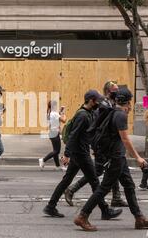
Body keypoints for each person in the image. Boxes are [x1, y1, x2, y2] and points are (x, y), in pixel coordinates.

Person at [74, 87, 148, 232]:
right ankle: (82, 216)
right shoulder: (120, 115)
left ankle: (139, 218)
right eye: (131, 102)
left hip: (118, 157)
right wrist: (138, 158)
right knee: (104, 188)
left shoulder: (114, 111)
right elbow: (125, 139)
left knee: (129, 185)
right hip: (115, 157)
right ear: (128, 102)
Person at [43, 90, 122, 220]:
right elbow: (74, 135)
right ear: (91, 100)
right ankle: (105, 210)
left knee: (67, 180)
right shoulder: (83, 116)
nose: (99, 103)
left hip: (79, 152)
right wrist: (67, 154)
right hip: (80, 153)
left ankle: (51, 206)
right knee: (95, 181)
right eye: (97, 100)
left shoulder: (88, 113)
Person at [64, 81, 128, 207]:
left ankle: (116, 197)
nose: (118, 93)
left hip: (109, 145)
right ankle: (72, 189)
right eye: (115, 91)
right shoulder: (102, 105)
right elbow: (96, 126)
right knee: (97, 172)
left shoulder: (112, 104)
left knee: (114, 169)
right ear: (109, 92)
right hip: (102, 145)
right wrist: (95, 145)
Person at [39, 100, 67, 171]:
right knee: (56, 151)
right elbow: (64, 120)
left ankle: (57, 166)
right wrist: (63, 113)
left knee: (55, 150)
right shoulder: (54, 113)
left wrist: (60, 111)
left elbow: (56, 116)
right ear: (54, 106)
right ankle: (43, 160)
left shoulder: (49, 113)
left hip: (52, 132)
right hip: (55, 133)